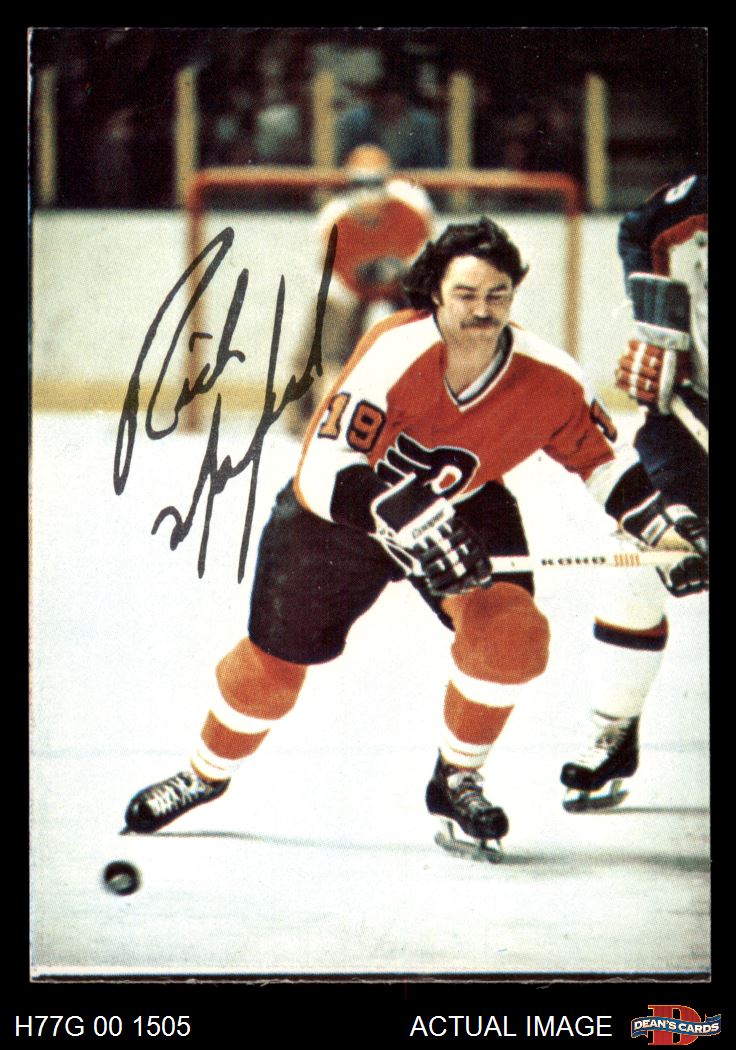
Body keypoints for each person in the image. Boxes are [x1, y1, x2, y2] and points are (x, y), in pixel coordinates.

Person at [124, 217, 708, 859]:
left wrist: (662, 526)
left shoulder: (548, 375)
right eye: (466, 294)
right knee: (269, 672)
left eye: (497, 295)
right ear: (435, 292)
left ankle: (456, 779)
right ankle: (204, 773)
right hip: (339, 519)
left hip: (462, 506)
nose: (482, 310)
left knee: (511, 636)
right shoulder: (395, 348)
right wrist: (399, 512)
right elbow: (321, 468)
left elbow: (602, 461)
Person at [560, 173, 708, 812]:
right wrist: (656, 329)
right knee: (638, 553)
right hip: (691, 421)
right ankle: (614, 728)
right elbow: (639, 231)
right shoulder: (688, 205)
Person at [288, 143, 436, 433]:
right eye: (360, 184)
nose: (368, 194)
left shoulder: (414, 208)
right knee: (321, 342)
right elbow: (335, 280)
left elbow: (427, 262)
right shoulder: (334, 219)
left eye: (375, 183)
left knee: (433, 331)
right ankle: (309, 417)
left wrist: (400, 276)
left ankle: (436, 410)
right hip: (349, 288)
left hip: (403, 285)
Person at [335, 73, 445, 170]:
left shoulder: (424, 125)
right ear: (375, 98)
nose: (390, 101)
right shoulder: (355, 122)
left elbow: (434, 166)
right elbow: (342, 163)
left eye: (396, 95)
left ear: (405, 98)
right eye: (385, 96)